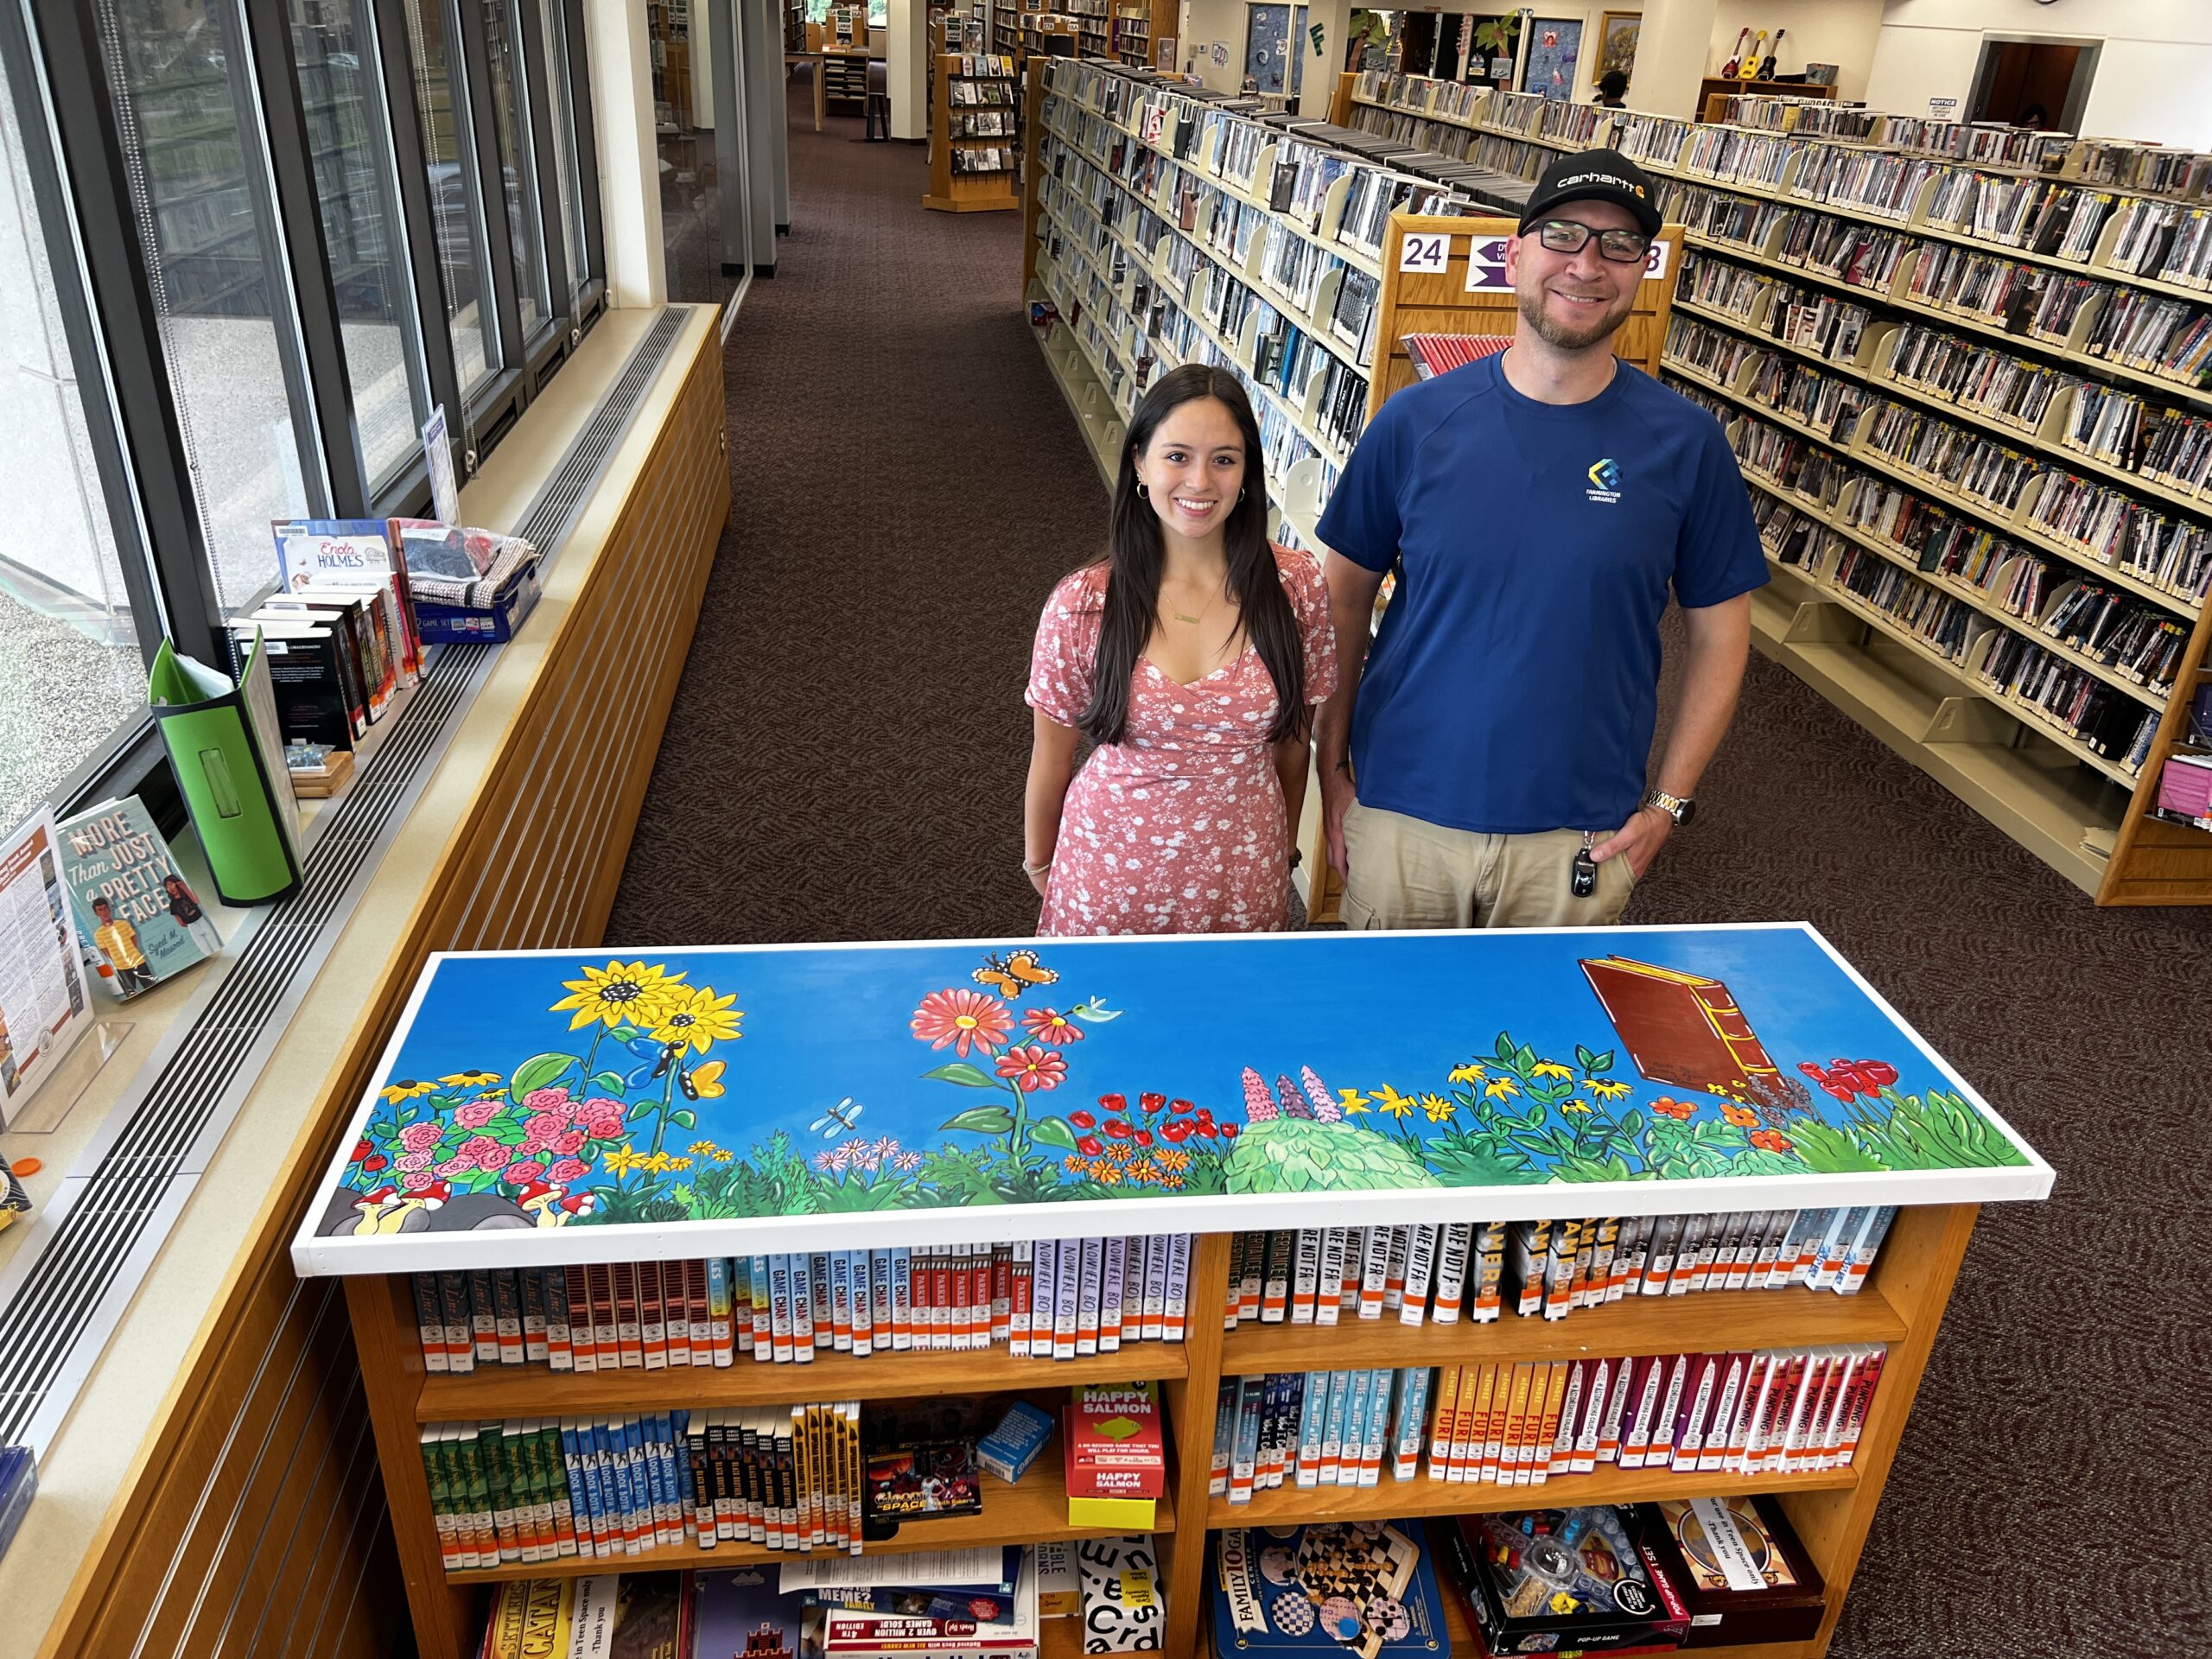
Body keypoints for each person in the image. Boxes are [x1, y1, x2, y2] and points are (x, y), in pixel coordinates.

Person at [1313, 148, 1765, 931]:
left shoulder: (1688, 445)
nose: (1587, 265)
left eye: (1619, 245)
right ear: (1515, 254)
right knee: (1389, 1042)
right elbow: (1340, 606)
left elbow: (1723, 638)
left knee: (1544, 1054)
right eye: (1563, 236)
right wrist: (1332, 769)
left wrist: (1668, 804)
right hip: (1406, 815)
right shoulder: (1415, 424)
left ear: (1644, 270)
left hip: (1581, 835)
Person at [1024, 364, 1338, 935]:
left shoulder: (1296, 587)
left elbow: (1294, 748)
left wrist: (1280, 852)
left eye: (1224, 459)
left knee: (1228, 1021)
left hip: (1243, 876)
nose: (1199, 482)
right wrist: (1043, 864)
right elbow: (1051, 755)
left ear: (1247, 473)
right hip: (1109, 873)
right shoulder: (1083, 604)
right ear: (1139, 463)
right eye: (1177, 456)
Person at [89, 896, 157, 993]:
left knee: (152, 987)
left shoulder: (123, 924)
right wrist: (118, 958)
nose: (104, 912)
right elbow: (105, 951)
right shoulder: (98, 934)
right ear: (96, 913)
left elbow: (133, 938)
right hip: (120, 967)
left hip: (138, 962)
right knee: (131, 993)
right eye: (100, 910)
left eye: (105, 908)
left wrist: (131, 953)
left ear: (109, 909)